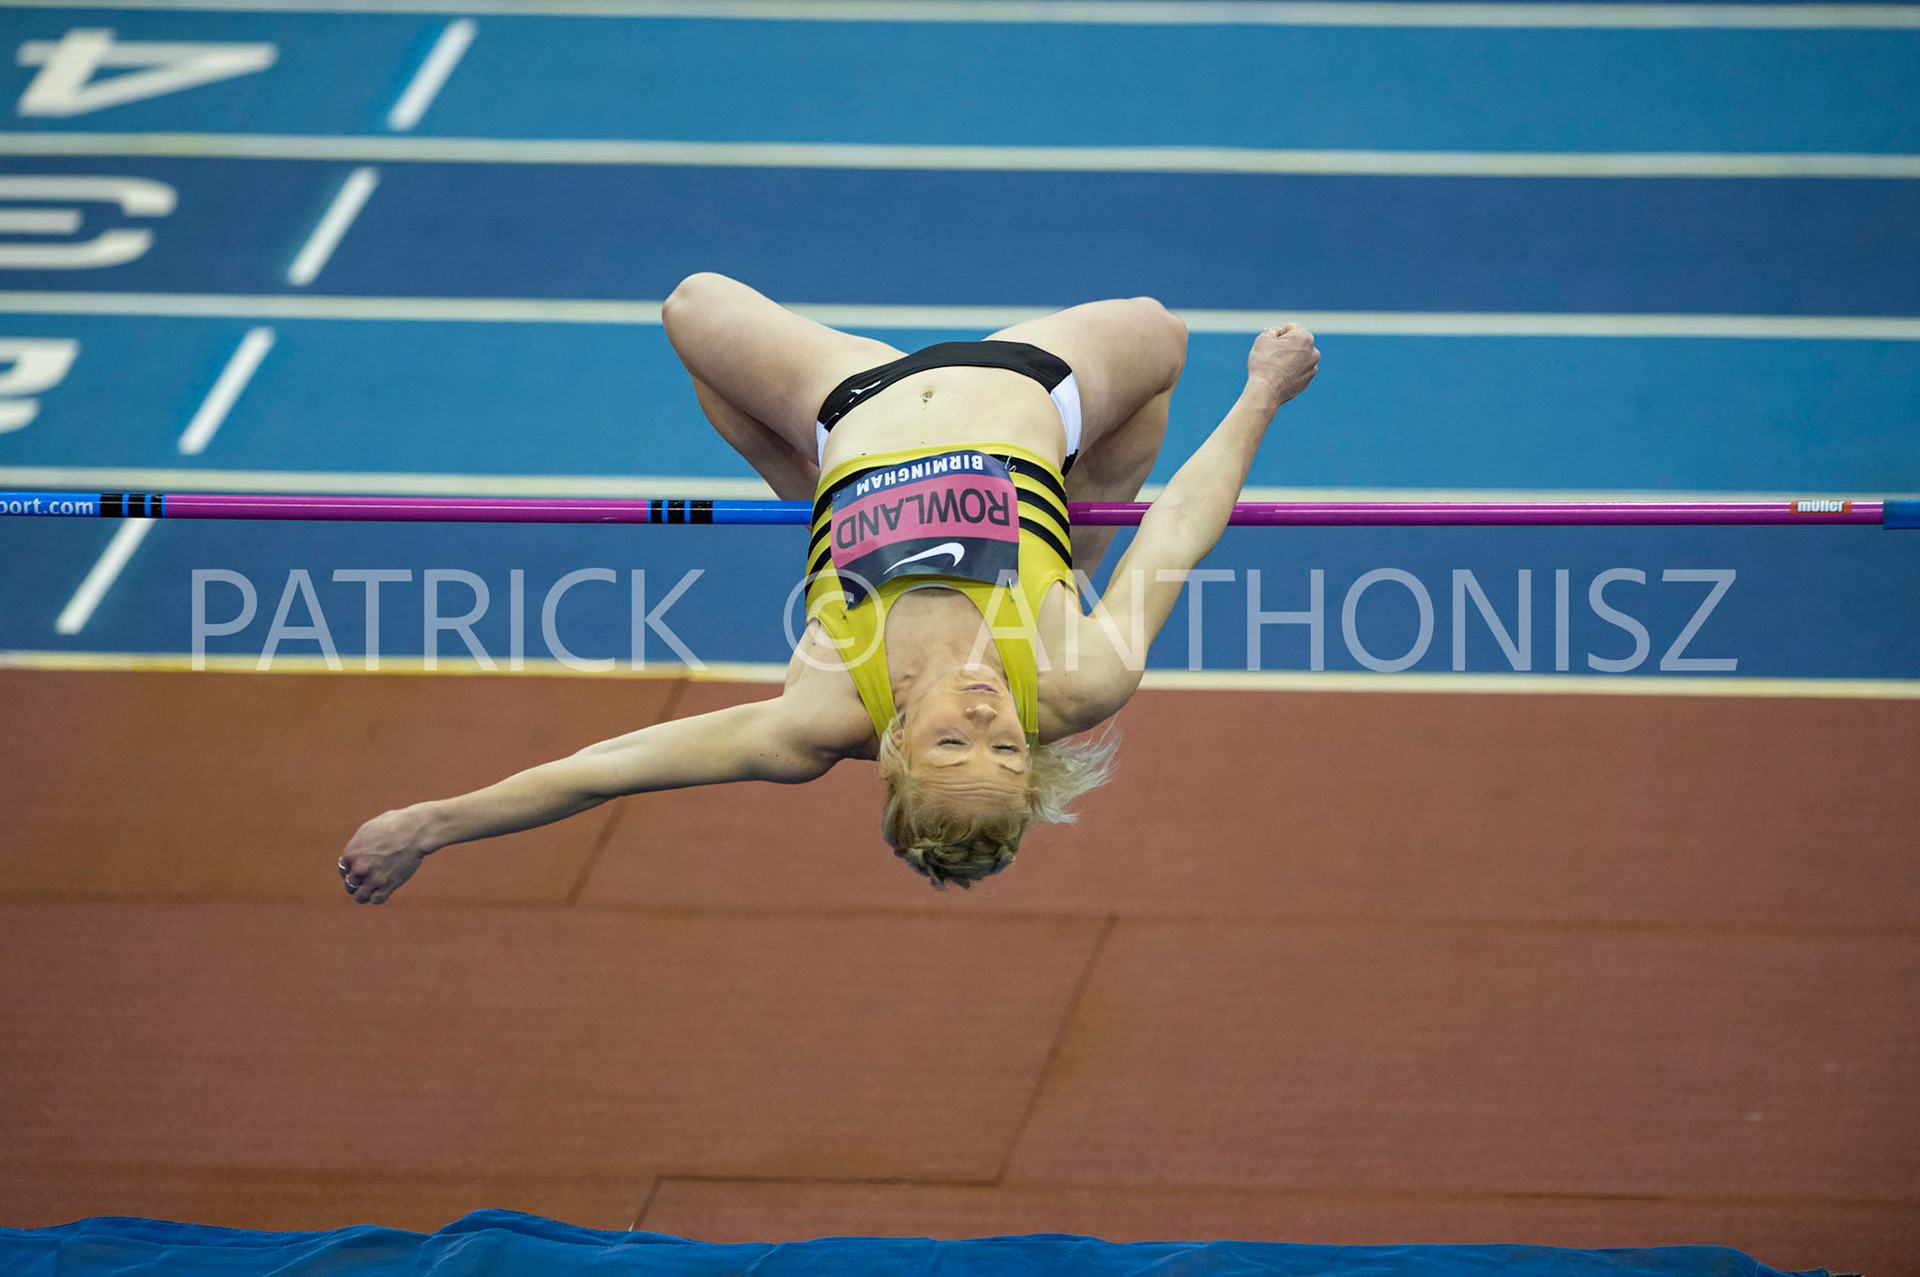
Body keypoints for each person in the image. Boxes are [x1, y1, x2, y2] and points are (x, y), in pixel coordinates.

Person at [338, 274, 1319, 902]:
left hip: (851, 402)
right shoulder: (1077, 681)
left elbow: (609, 765)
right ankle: (1058, 552)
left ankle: (831, 498)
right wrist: (1261, 392)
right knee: (1159, 337)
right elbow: (1181, 527)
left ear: (895, 749)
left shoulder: (816, 715)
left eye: (951, 740)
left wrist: (430, 822)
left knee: (690, 312)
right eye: (1005, 742)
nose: (985, 713)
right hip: (1028, 386)